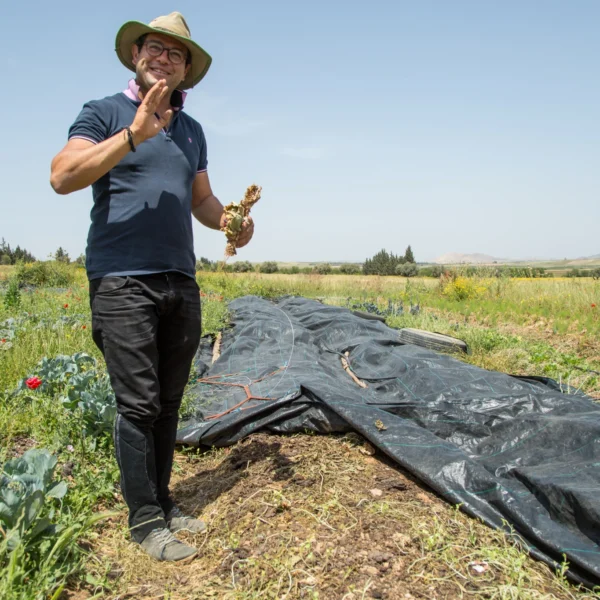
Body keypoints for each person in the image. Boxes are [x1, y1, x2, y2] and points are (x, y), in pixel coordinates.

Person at [50, 12, 254, 562]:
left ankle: (161, 500)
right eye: (155, 48)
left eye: (176, 53)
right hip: (122, 279)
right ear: (136, 55)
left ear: (186, 70)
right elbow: (62, 176)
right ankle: (143, 521)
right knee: (138, 403)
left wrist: (231, 223)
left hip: (179, 279)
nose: (164, 59)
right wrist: (132, 135)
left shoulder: (192, 131)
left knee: (167, 402)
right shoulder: (104, 112)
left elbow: (202, 201)